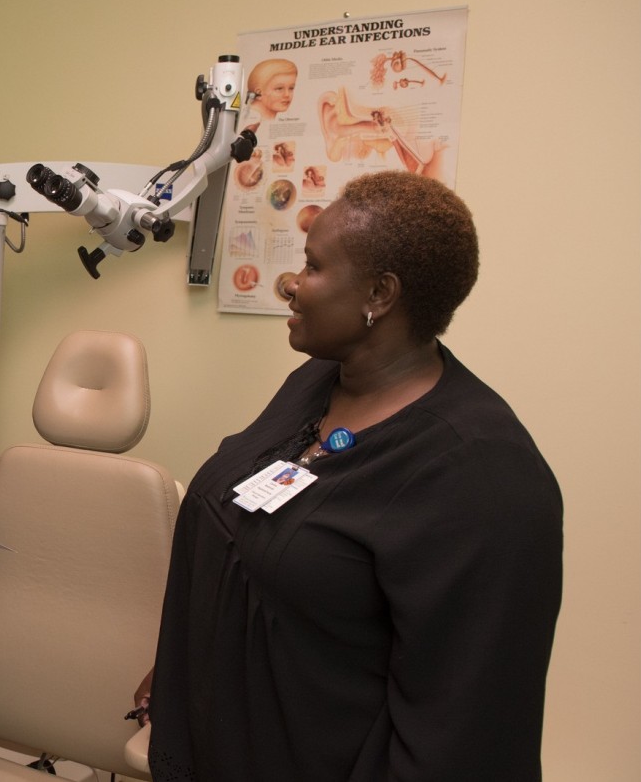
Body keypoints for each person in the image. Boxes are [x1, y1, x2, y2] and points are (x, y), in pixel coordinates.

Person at [141, 170, 563, 781]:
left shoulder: (484, 476)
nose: (291, 284)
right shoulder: (315, 384)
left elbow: (468, 727)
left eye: (312, 266)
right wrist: (189, 660)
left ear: (379, 294)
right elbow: (254, 548)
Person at [246, 57, 298, 125]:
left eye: (291, 88)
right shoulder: (249, 122)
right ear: (258, 93)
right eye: (279, 88)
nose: (287, 95)